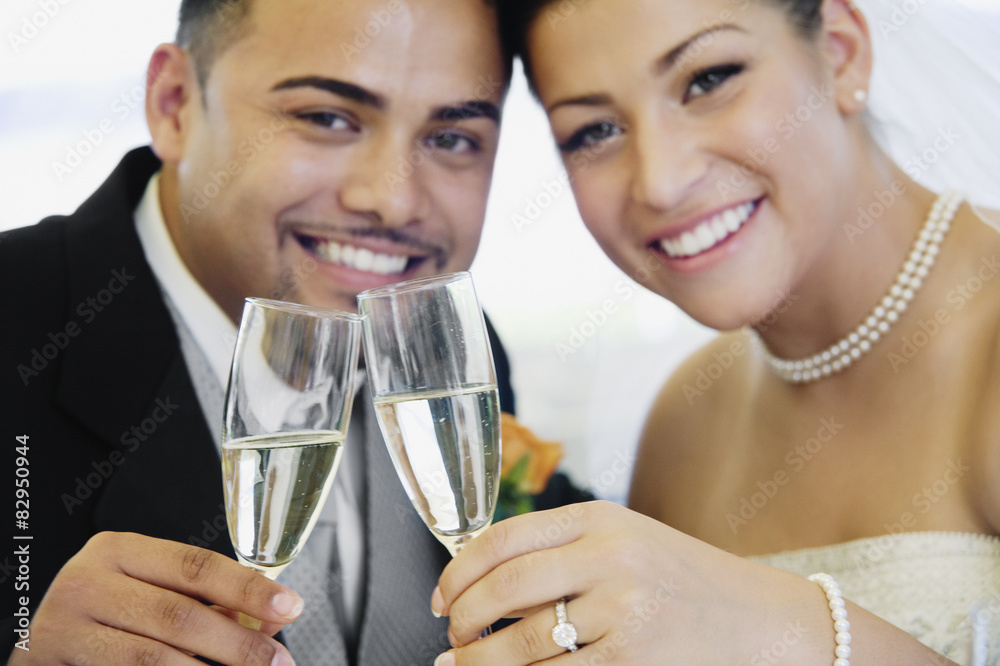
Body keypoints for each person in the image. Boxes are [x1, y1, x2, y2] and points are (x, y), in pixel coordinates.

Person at [431, 0, 1000, 664]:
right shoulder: (685, 422)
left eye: (707, 80)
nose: (662, 181)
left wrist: (794, 630)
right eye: (594, 131)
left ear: (843, 53)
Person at [0, 0, 565, 663]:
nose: (394, 200)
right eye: (327, 118)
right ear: (175, 103)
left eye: (450, 139)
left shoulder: (456, 354)